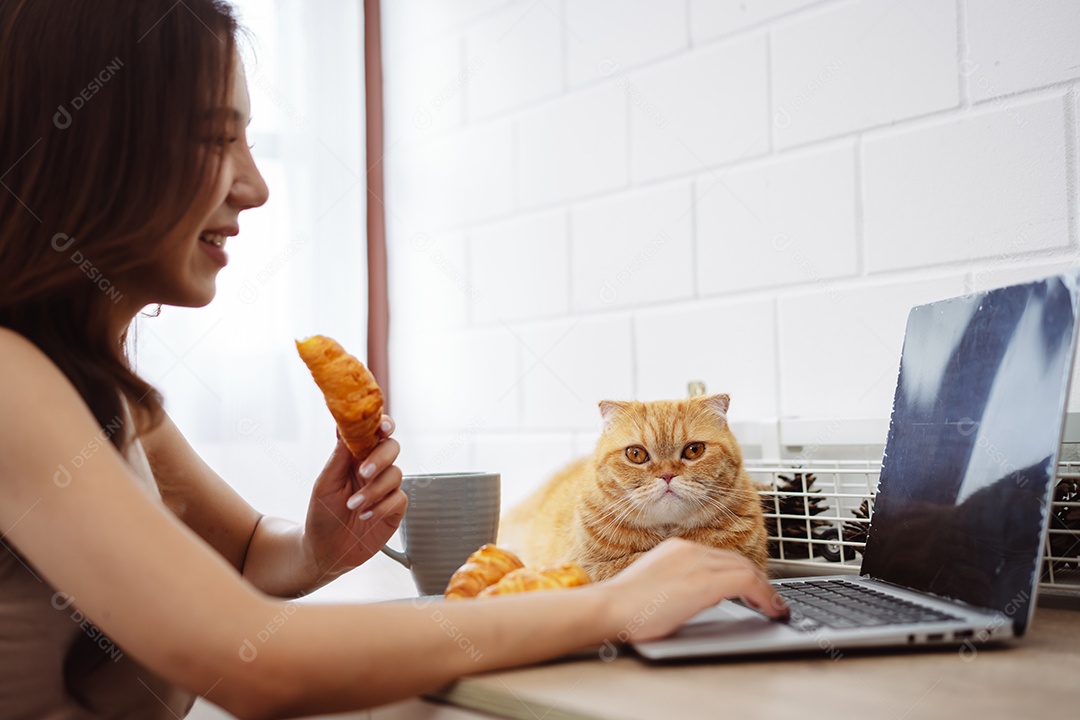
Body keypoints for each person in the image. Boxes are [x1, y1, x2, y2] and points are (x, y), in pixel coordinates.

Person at [0, 1, 788, 717]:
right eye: (216, 138)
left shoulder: (101, 388)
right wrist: (617, 604)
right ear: (95, 148)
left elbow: (241, 554)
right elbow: (255, 663)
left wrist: (319, 545)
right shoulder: (10, 379)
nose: (257, 185)